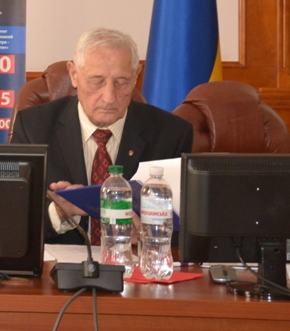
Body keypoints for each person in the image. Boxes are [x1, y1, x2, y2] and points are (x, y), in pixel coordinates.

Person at [11, 28, 193, 244]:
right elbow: (13, 216)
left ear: (136, 76)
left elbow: (188, 228)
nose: (108, 97)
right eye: (97, 81)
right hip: (60, 262)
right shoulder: (34, 128)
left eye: (121, 82)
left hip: (134, 262)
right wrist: (60, 213)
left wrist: (150, 234)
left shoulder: (171, 134)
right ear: (74, 75)